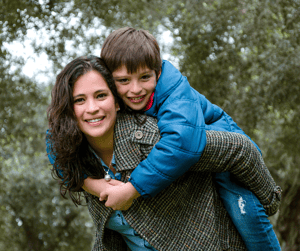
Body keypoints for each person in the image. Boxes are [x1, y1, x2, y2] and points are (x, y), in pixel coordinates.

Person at [46, 56, 281, 250]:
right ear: (68, 109)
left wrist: (269, 200)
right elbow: (53, 147)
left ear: (116, 101)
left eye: (101, 96)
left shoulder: (153, 139)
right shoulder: (74, 153)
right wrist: (94, 185)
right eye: (79, 100)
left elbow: (239, 148)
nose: (92, 108)